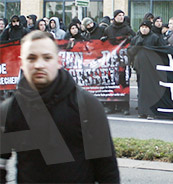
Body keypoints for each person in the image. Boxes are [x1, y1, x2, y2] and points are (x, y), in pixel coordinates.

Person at [0, 30, 120, 183]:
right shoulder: (10, 110)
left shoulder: (87, 106)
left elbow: (107, 171)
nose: (39, 65)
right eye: (31, 58)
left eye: (47, 57)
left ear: (58, 61)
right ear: (22, 62)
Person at [102, 9, 135, 115]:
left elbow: (135, 39)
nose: (121, 17)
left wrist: (130, 39)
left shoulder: (127, 28)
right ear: (115, 17)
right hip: (112, 61)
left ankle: (124, 106)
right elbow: (104, 43)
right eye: (119, 15)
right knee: (112, 83)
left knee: (123, 83)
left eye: (122, 15)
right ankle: (111, 105)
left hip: (123, 61)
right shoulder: (108, 29)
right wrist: (103, 39)